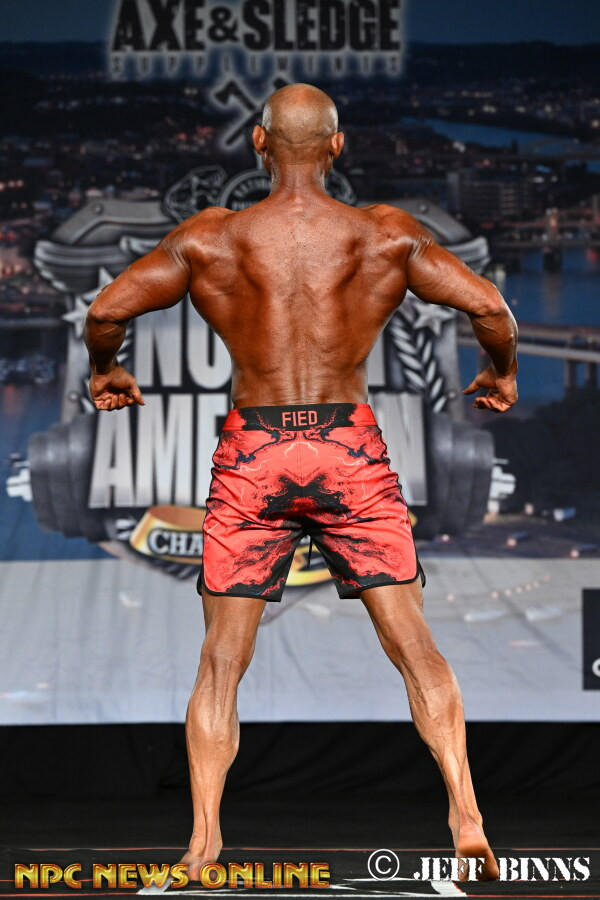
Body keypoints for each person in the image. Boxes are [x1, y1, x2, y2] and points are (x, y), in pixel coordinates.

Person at [84, 83, 517, 883]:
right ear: (337, 146)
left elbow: (107, 310)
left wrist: (107, 370)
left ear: (257, 143)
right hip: (347, 449)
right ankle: (466, 815)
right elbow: (490, 307)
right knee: (413, 643)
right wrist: (502, 371)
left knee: (221, 659)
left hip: (257, 452)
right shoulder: (384, 235)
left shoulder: (210, 240)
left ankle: (203, 845)